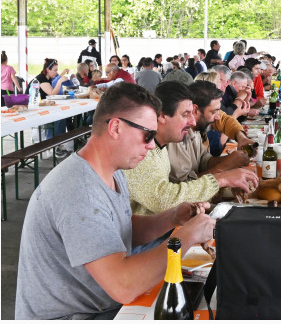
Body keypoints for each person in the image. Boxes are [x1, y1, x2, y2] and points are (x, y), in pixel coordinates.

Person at [15, 82, 216, 319]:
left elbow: (121, 228)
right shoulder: (79, 190)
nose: (152, 145)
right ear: (116, 128)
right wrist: (187, 236)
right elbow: (124, 286)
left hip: (101, 305)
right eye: (147, 135)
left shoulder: (112, 170)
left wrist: (173, 217)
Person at [124, 81, 258, 215]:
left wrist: (228, 166)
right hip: (156, 234)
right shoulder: (141, 149)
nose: (193, 121)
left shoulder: (161, 144)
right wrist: (221, 178)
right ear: (162, 116)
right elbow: (163, 200)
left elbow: (224, 120)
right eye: (185, 114)